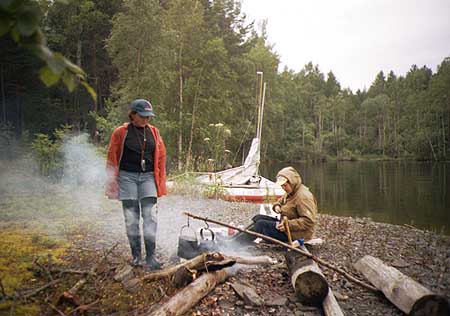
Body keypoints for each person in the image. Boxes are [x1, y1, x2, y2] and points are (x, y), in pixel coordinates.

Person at [105, 99, 166, 270]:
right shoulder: (120, 132)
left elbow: (161, 157)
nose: (147, 119)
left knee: (150, 215)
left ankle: (151, 257)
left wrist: (160, 179)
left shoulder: (154, 132)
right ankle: (136, 256)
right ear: (133, 115)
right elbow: (112, 156)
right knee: (132, 217)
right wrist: (111, 181)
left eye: (149, 116)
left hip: (148, 177)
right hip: (127, 176)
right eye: (143, 116)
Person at [232, 166, 317, 244]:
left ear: (292, 182)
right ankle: (234, 239)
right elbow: (280, 201)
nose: (283, 188)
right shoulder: (291, 191)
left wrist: (288, 225)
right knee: (258, 218)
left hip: (296, 234)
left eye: (285, 185)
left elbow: (309, 221)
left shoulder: (303, 197)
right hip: (285, 226)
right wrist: (277, 206)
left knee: (260, 225)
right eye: (282, 186)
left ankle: (236, 243)